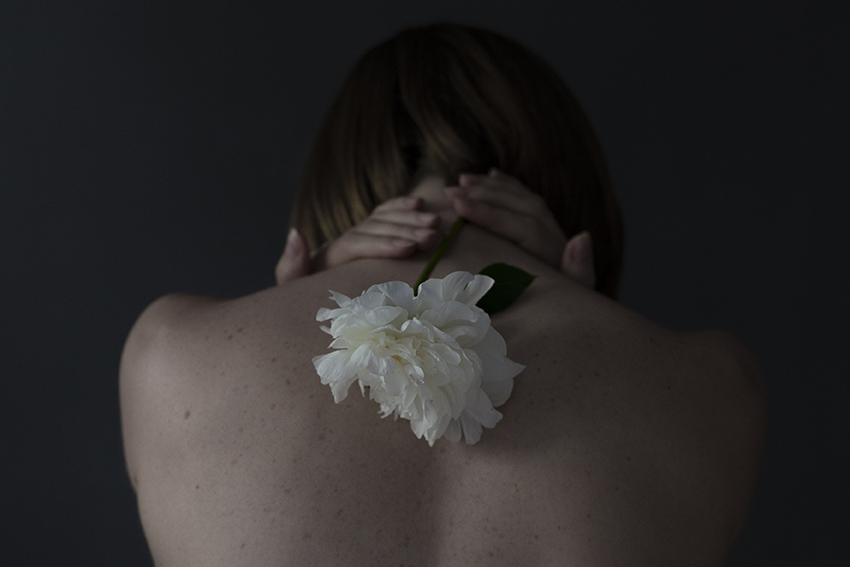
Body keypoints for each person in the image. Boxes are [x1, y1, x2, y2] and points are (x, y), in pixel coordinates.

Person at [120, 23, 767, 566]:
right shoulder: (717, 382)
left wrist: (302, 303)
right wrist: (588, 313)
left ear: (339, 183)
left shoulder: (169, 353)